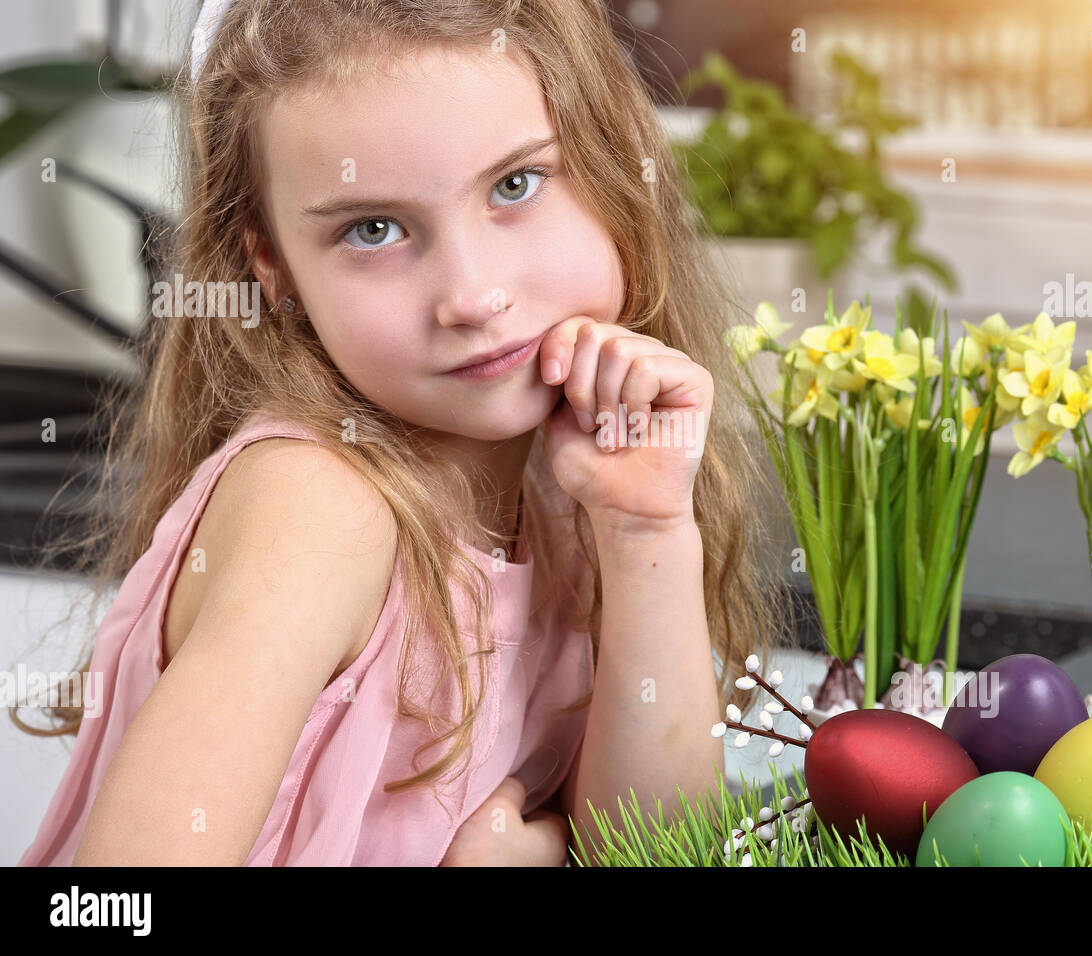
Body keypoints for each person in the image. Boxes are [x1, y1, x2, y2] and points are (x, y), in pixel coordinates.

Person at [12, 0, 792, 866]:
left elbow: (660, 855)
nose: (472, 295)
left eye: (516, 184)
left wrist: (646, 532)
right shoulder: (315, 510)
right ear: (270, 265)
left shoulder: (576, 478)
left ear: (611, 162)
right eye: (373, 229)